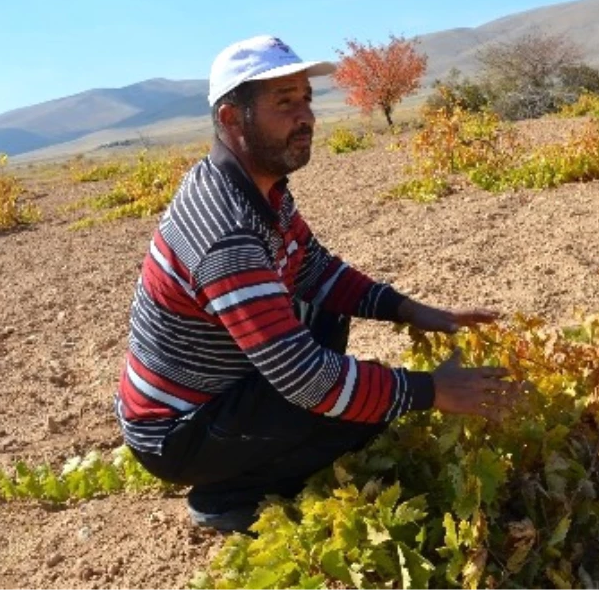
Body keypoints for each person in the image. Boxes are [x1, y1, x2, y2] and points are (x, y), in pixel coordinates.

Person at [114, 35, 519, 533]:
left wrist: (411, 310)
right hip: (177, 432)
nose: (305, 116)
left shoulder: (260, 190)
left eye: (306, 99)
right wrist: (431, 390)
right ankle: (228, 496)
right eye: (284, 103)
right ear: (229, 119)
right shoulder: (226, 233)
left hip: (220, 390)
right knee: (353, 413)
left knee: (329, 319)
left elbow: (314, 271)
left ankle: (264, 449)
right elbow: (307, 380)